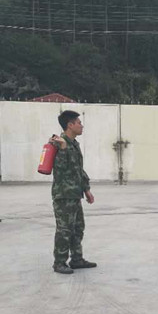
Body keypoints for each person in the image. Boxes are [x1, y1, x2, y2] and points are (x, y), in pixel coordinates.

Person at [50, 111, 96, 275]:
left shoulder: (74, 143)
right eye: (78, 123)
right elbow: (60, 170)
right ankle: (59, 262)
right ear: (70, 125)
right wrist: (62, 149)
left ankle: (76, 259)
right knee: (64, 230)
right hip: (63, 194)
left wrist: (86, 189)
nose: (81, 126)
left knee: (78, 228)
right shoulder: (58, 143)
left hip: (75, 194)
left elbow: (78, 169)